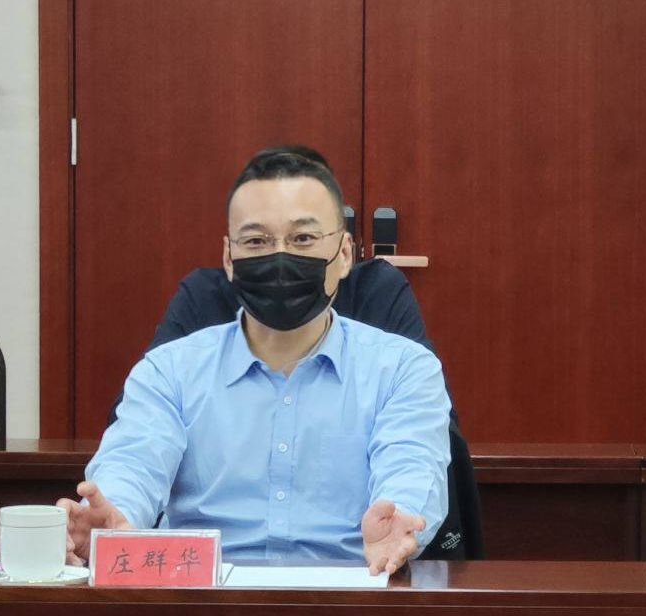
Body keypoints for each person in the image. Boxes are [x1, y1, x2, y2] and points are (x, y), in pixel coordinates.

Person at [58, 147, 452, 575]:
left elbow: (410, 466)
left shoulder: (403, 370)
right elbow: (134, 462)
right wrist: (114, 516)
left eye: (303, 239)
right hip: (203, 598)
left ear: (343, 255)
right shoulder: (169, 372)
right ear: (230, 259)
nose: (279, 257)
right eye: (256, 241)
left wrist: (398, 521)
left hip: (350, 591)